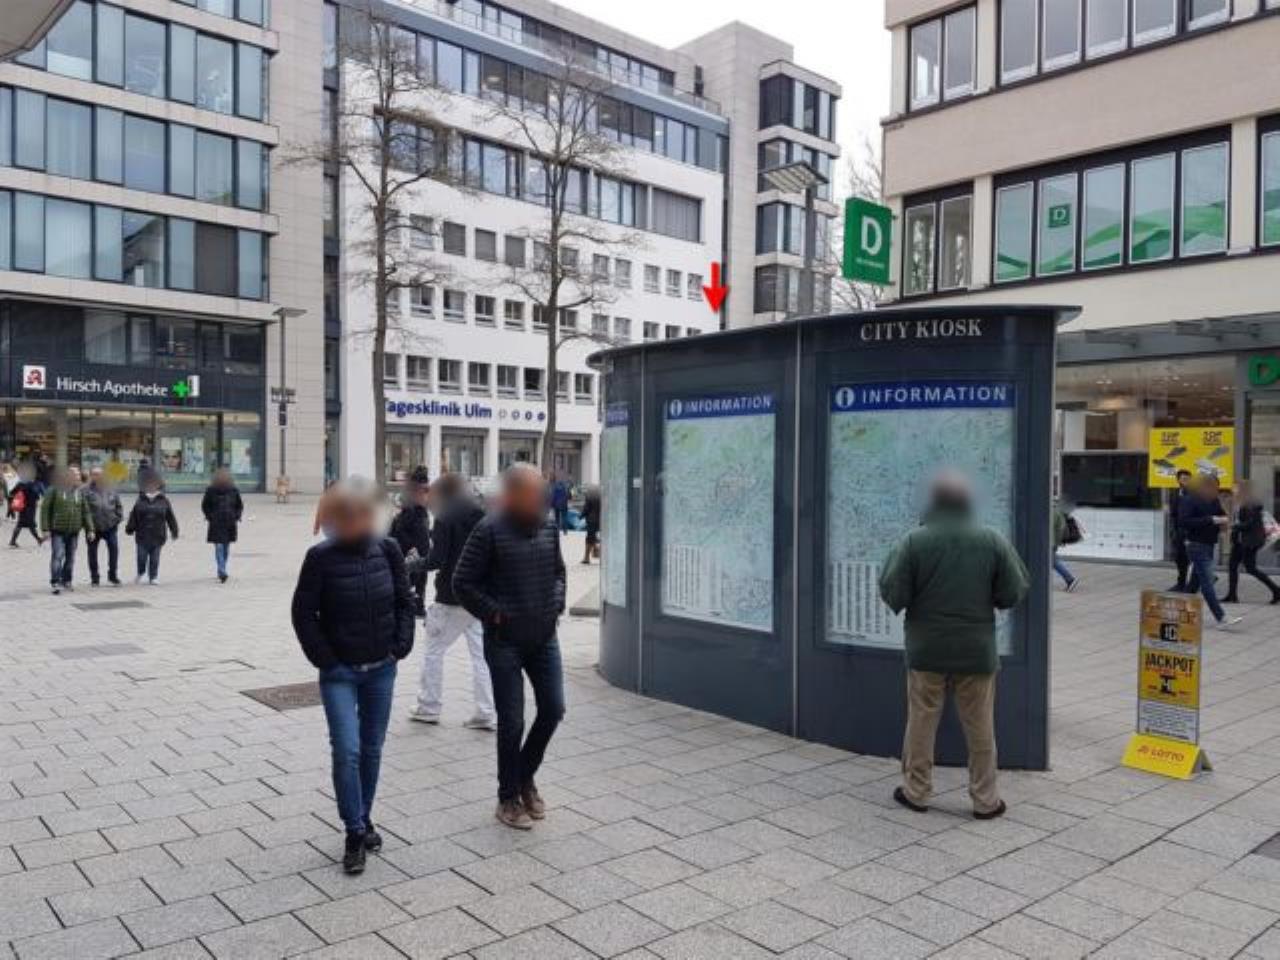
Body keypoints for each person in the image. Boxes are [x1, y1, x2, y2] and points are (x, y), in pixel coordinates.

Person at [878, 472, 1029, 820]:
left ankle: (916, 792)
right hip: (976, 650)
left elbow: (893, 592)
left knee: (921, 720)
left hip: (926, 649)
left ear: (935, 501)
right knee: (980, 726)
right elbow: (1013, 591)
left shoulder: (914, 541)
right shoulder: (991, 540)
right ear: (966, 502)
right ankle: (986, 800)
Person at [291, 479, 416, 875]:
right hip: (340, 673)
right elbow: (303, 614)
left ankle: (363, 817)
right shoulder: (320, 558)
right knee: (347, 750)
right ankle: (354, 830)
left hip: (381, 668)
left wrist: (400, 647)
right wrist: (327, 660)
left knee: (371, 748)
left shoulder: (388, 549)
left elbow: (405, 601)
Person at [454, 463, 566, 830]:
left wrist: (556, 603)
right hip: (505, 642)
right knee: (512, 722)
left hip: (544, 637)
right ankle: (508, 798)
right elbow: (462, 582)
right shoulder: (488, 530)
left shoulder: (549, 525)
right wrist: (496, 614)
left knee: (553, 709)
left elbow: (559, 573)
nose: (541, 499)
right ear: (514, 494)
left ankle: (525, 776)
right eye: (534, 493)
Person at [409, 473, 496, 730]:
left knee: (434, 651)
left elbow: (436, 560)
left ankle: (428, 706)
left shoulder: (445, 517)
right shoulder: (483, 513)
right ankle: (486, 711)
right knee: (481, 656)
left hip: (450, 596)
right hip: (479, 596)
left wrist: (413, 564)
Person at [1179, 475, 1243, 629]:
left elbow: (1221, 514)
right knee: (1207, 582)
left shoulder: (1213, 500)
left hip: (1209, 544)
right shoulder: (1190, 500)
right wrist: (1211, 520)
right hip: (1196, 545)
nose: (1215, 492)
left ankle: (1180, 613)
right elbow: (1184, 521)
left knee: (1194, 584)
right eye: (1213, 488)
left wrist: (1224, 520)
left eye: (1216, 489)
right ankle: (1221, 618)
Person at [1223, 480, 1280, 605]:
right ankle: (1232, 595)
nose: (1233, 490)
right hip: (1240, 541)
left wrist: (1235, 526)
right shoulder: (1239, 502)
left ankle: (1276, 590)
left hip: (1250, 541)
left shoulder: (1252, 503)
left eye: (1235, 488)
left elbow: (1251, 523)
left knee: (1251, 568)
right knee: (1232, 566)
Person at [39, 467, 94, 595]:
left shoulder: (79, 492)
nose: (78, 477)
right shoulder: (54, 489)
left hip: (74, 531)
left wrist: (90, 529)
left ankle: (67, 580)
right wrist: (45, 529)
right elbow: (45, 509)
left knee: (70, 558)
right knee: (58, 555)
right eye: (75, 474)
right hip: (58, 530)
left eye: (78, 474)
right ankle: (55, 582)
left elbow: (85, 512)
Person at [390, 471, 432, 615]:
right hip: (413, 555)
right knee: (412, 582)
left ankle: (418, 607)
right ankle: (413, 607)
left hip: (421, 554)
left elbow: (421, 530)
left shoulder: (420, 509)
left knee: (420, 581)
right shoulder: (410, 509)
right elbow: (399, 532)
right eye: (424, 490)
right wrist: (412, 548)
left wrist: (430, 537)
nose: (427, 494)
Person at [126, 475, 179, 585]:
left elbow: (170, 517)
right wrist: (130, 528)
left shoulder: (164, 500)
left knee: (155, 558)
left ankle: (153, 576)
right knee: (141, 557)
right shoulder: (140, 499)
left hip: (158, 534)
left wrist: (174, 531)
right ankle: (141, 573)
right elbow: (134, 515)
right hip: (142, 534)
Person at [202, 468, 244, 583]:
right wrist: (210, 516)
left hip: (229, 522)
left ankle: (222, 567)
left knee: (226, 547)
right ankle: (222, 570)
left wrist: (236, 516)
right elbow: (205, 505)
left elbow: (239, 505)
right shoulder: (210, 491)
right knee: (219, 546)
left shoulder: (234, 490)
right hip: (216, 523)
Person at [83, 467, 123, 586]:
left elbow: (119, 506)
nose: (98, 476)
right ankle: (95, 578)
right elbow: (83, 510)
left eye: (100, 474)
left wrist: (117, 519)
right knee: (92, 553)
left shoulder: (111, 489)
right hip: (93, 528)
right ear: (91, 476)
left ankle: (113, 576)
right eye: (95, 474)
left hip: (110, 526)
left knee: (114, 550)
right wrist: (88, 526)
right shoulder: (85, 491)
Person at [1169, 470, 1193, 592]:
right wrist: (1173, 530)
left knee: (1193, 557)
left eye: (1188, 479)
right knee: (1180, 558)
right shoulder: (1175, 493)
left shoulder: (1194, 494)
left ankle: (1206, 577)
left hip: (1190, 531)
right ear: (1178, 480)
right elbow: (1173, 513)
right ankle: (1181, 583)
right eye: (1183, 479)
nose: (1186, 481)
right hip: (1178, 531)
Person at [7, 464, 42, 547]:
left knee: (22, 524)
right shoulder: (32, 484)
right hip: (30, 508)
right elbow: (35, 496)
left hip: (22, 507)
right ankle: (38, 539)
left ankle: (13, 541)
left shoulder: (21, 483)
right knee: (30, 525)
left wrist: (16, 498)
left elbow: (11, 493)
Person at [1051, 502, 1081, 592]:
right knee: (1052, 561)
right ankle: (1070, 579)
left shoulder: (1052, 511)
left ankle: (1070, 579)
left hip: (1049, 542)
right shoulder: (1057, 511)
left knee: (1053, 562)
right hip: (1053, 542)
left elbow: (1055, 529)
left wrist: (1055, 542)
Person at [580, 485, 601, 565]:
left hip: (591, 520)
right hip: (599, 520)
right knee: (593, 537)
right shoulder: (601, 496)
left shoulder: (589, 496)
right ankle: (596, 551)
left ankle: (586, 557)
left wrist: (581, 515)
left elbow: (586, 508)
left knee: (589, 538)